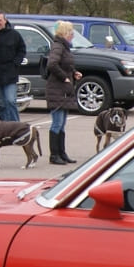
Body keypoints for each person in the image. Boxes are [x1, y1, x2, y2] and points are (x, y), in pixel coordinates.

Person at [43, 20, 84, 166]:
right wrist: (64, 77)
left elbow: (66, 65)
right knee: (57, 123)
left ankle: (62, 152)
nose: (72, 35)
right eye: (71, 32)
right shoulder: (58, 46)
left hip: (64, 90)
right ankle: (54, 155)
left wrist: (73, 73)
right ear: (64, 33)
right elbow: (52, 64)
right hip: (56, 90)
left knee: (62, 123)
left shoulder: (65, 47)